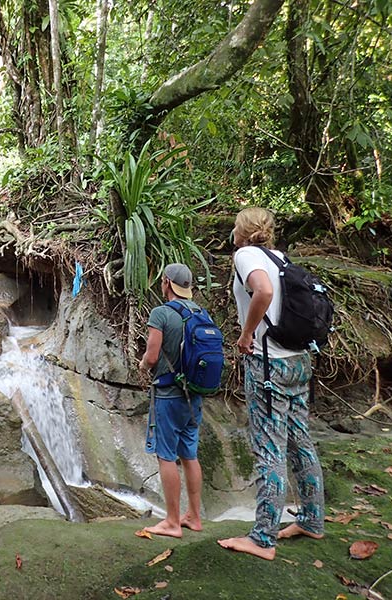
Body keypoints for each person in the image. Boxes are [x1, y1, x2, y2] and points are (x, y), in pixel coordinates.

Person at [218, 207, 325, 560]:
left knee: (269, 447)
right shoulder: (279, 257)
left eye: (235, 225)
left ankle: (263, 538)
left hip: (269, 365)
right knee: (300, 441)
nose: (232, 230)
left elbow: (261, 292)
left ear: (243, 231)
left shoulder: (245, 255)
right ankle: (311, 519)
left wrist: (247, 334)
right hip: (298, 361)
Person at [139, 263, 204, 538]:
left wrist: (142, 365)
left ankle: (172, 522)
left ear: (166, 282)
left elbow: (152, 357)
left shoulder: (161, 313)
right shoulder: (200, 312)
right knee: (189, 454)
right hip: (195, 396)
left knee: (166, 456)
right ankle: (195, 517)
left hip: (168, 395)